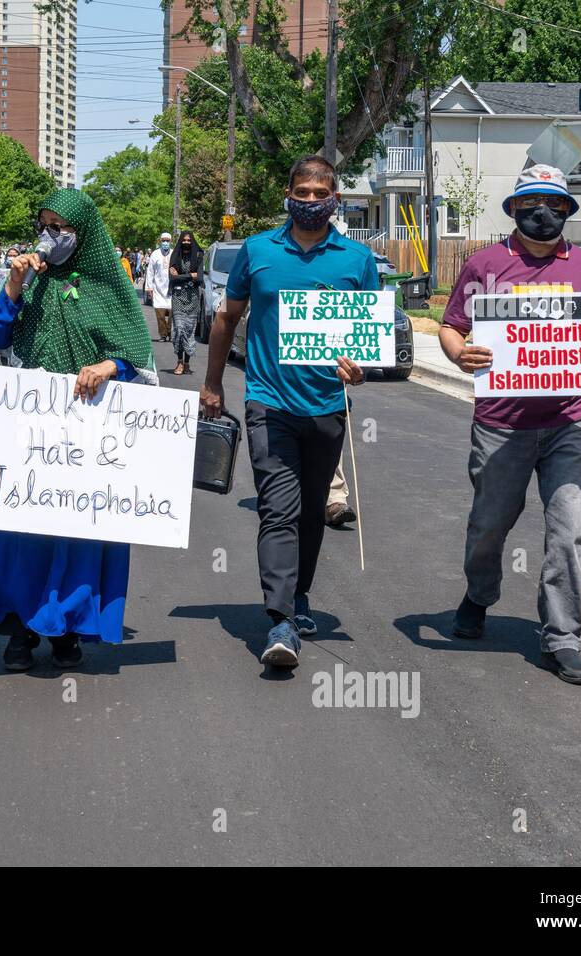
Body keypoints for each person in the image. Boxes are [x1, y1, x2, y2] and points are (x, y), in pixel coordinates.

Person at [438, 164, 581, 686]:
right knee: (490, 524)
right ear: (514, 210)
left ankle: (562, 636)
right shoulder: (485, 263)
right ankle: (479, 595)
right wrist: (462, 355)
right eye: (530, 204)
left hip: (567, 421)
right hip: (500, 424)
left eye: (553, 203)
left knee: (569, 530)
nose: (542, 212)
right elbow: (452, 326)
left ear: (568, 211)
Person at [201, 155, 371, 669]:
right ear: (288, 194)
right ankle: (279, 620)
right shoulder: (256, 251)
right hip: (268, 402)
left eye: (322, 193)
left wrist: (359, 367)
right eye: (304, 192)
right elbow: (227, 318)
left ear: (335, 198)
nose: (312, 201)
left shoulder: (356, 260)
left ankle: (299, 598)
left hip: (327, 406)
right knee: (277, 508)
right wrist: (212, 384)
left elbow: (368, 335)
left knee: (313, 511)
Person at [0, 188, 158, 670]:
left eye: (61, 227)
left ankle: (66, 630)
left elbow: (135, 353)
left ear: (85, 233)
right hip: (31, 427)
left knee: (80, 531)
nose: (51, 236)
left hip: (90, 429)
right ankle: (19, 630)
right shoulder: (27, 278)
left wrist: (108, 365)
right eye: (45, 225)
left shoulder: (108, 285)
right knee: (23, 532)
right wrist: (13, 288)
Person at [167, 230, 202, 375]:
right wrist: (190, 276)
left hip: (193, 298)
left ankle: (187, 363)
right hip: (178, 297)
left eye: (189, 240)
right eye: (184, 240)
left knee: (189, 331)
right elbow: (172, 279)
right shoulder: (175, 256)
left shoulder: (199, 255)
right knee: (179, 329)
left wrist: (181, 276)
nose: (186, 243)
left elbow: (199, 278)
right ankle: (179, 362)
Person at [146, 234, 173, 341]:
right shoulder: (155, 254)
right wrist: (149, 287)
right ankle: (163, 335)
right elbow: (150, 271)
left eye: (167, 241)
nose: (165, 243)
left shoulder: (174, 253)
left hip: (171, 289)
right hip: (158, 288)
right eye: (163, 240)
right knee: (160, 314)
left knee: (172, 314)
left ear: (171, 241)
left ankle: (169, 332)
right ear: (160, 241)